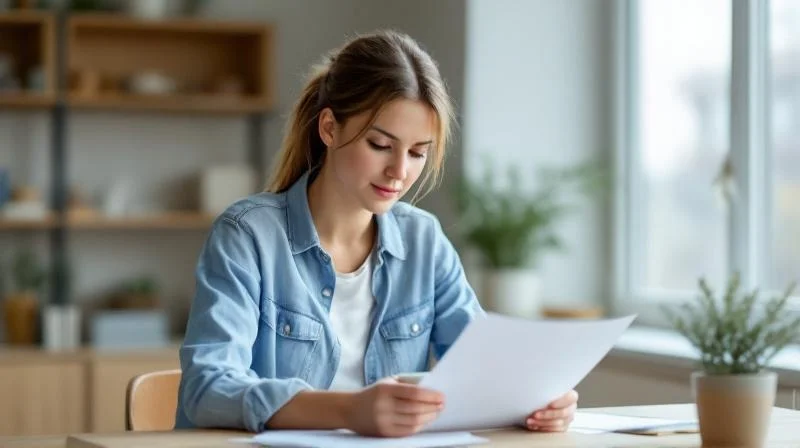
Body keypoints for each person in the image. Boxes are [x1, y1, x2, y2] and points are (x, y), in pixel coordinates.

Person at [174, 29, 578, 437]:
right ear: (329, 128)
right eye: (381, 145)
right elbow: (207, 387)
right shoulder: (248, 235)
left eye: (418, 152)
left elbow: (485, 370)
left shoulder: (424, 240)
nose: (400, 172)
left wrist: (539, 399)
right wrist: (349, 411)